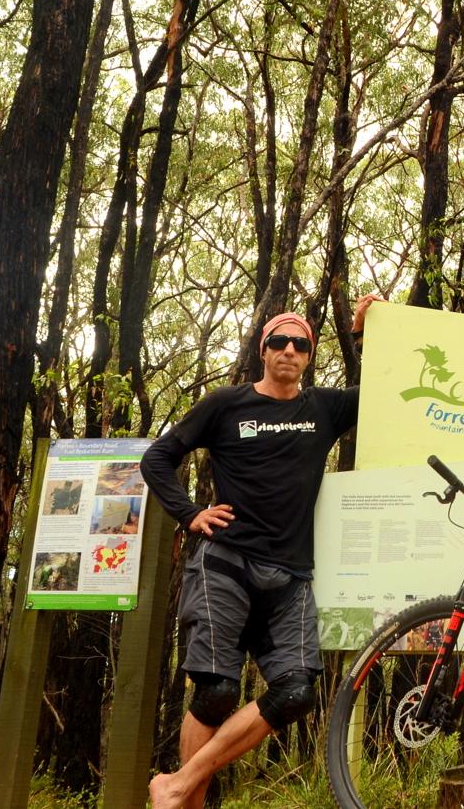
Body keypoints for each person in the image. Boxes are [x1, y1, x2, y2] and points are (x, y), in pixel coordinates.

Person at [145, 296, 378, 809]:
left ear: (309, 356)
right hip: (225, 561)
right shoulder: (226, 404)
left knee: (295, 692)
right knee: (216, 693)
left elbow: (382, 385)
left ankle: (178, 785)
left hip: (290, 576)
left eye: (300, 344)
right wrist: (189, 513)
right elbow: (158, 458)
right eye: (280, 341)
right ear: (262, 348)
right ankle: (189, 799)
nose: (289, 350)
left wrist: (365, 330)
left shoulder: (322, 408)